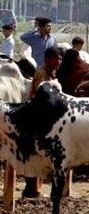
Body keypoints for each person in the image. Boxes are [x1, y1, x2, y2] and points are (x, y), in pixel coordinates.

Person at [24, 46, 63, 198]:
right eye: (56, 59)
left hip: (48, 119)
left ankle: (36, 188)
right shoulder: (42, 73)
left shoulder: (53, 73)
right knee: (34, 154)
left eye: (60, 59)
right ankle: (32, 188)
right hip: (37, 117)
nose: (59, 62)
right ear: (48, 59)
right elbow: (41, 98)